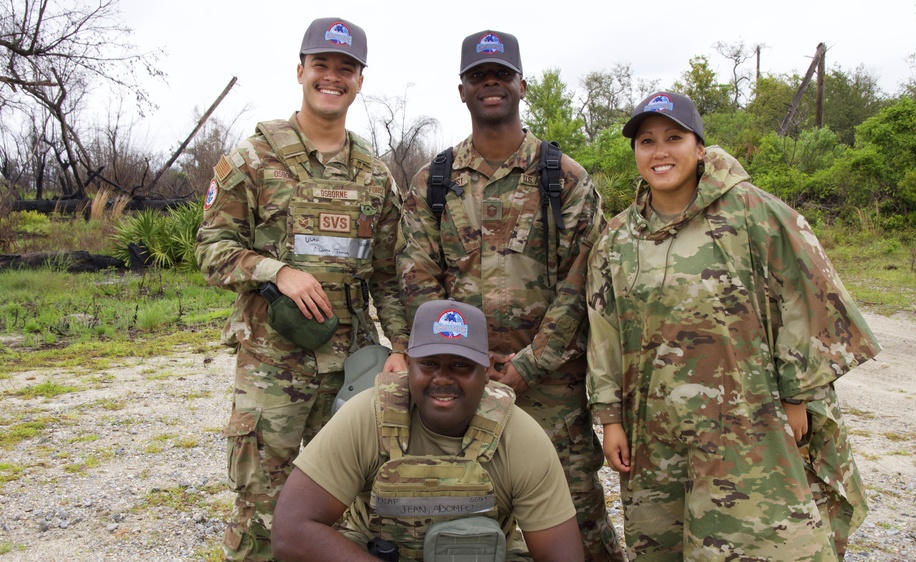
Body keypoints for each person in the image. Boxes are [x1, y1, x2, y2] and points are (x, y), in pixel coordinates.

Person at [585, 91, 881, 561]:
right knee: (662, 543)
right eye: (646, 141)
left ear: (700, 147)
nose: (659, 152)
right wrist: (611, 418)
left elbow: (810, 300)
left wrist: (796, 394)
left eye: (673, 138)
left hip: (749, 423)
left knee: (760, 543)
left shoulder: (754, 214)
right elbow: (604, 333)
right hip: (654, 431)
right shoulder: (618, 238)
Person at [396, 30, 624, 562]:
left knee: (574, 510)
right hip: (458, 378)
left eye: (501, 75)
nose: (491, 84)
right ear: (462, 90)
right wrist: (455, 361)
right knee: (464, 506)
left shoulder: (563, 178)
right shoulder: (435, 181)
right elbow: (417, 277)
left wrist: (530, 363)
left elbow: (583, 281)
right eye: (479, 76)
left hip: (551, 387)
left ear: (521, 85)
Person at [195, 17, 408, 562]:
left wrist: (403, 348)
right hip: (274, 365)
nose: (332, 78)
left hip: (352, 365)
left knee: (357, 509)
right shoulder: (254, 157)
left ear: (359, 80)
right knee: (262, 510)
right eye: (322, 66)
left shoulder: (374, 175)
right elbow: (209, 249)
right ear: (301, 71)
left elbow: (387, 273)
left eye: (346, 69)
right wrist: (273, 271)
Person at [271, 299, 586, 562]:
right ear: (408, 363)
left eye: (461, 366)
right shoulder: (368, 416)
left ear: (487, 368)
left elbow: (562, 555)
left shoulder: (520, 437)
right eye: (430, 364)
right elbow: (291, 532)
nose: (443, 379)